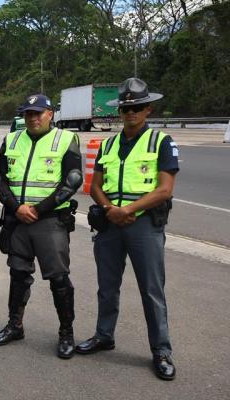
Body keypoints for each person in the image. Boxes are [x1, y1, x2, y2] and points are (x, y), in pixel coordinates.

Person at [76, 77, 179, 381]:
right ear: (119, 111)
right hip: (110, 222)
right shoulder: (107, 145)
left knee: (152, 289)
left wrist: (128, 210)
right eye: (125, 108)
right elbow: (94, 186)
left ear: (148, 109)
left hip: (143, 225)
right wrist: (111, 210)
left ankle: (161, 350)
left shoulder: (161, 142)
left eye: (137, 107)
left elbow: (165, 189)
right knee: (107, 286)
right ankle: (104, 335)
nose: (130, 112)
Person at [0, 94, 82, 359]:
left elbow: (73, 180)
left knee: (58, 278)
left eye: (38, 113)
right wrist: (16, 207)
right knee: (18, 274)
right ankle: (15, 326)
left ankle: (66, 333)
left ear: (50, 114)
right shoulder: (11, 139)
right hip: (18, 220)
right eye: (28, 113)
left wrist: (38, 210)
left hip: (50, 221)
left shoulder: (66, 139)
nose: (32, 118)